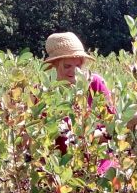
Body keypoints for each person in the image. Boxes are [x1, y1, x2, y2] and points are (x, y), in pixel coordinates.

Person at [43, 32, 116, 168]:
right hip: (62, 168)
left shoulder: (95, 83)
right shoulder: (43, 93)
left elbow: (113, 126)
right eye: (67, 66)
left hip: (99, 162)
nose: (74, 71)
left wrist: (86, 137)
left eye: (78, 66)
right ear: (54, 66)